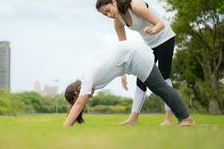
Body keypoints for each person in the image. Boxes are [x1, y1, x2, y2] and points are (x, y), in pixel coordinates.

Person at [63, 39, 195, 127]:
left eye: (82, 95)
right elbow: (108, 63)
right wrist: (123, 73)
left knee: (160, 87)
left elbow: (79, 104)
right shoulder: (86, 75)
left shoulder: (86, 79)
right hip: (132, 57)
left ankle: (186, 119)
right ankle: (184, 119)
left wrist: (65, 128)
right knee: (159, 87)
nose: (88, 97)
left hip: (135, 57)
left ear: (79, 88)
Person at [95, 0, 176, 125]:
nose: (109, 15)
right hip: (149, 45)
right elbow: (124, 49)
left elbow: (160, 23)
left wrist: (154, 30)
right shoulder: (118, 21)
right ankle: (133, 118)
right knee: (141, 79)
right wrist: (122, 73)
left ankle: (168, 119)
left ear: (114, 2)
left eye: (108, 10)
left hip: (165, 37)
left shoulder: (135, 6)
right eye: (105, 14)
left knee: (164, 76)